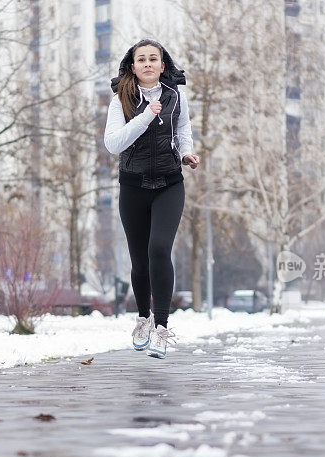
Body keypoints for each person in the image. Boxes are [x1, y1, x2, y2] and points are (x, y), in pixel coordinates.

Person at [104, 39, 200, 359]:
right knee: (139, 259)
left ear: (162, 65)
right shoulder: (121, 100)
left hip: (169, 184)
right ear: (132, 67)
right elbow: (113, 143)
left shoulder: (176, 96)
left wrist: (186, 152)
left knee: (159, 249)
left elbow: (182, 129)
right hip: (133, 186)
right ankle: (142, 319)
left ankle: (161, 327)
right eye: (141, 59)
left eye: (153, 59)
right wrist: (145, 116)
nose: (147, 63)